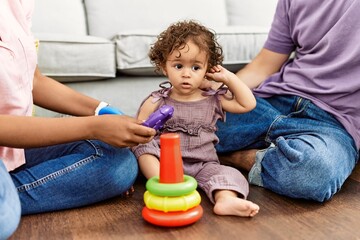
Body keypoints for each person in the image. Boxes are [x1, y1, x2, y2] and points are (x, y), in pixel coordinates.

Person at [0, 1, 156, 238]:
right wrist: (93, 127)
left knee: (118, 163)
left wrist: (104, 111)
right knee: (4, 219)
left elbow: (34, 81)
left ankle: (9, 194)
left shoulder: (18, 4)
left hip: (14, 148)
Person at [215, 0, 360, 202]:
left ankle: (232, 156)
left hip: (334, 123)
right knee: (183, 120)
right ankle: (274, 156)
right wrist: (215, 92)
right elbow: (263, 67)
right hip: (269, 103)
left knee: (313, 173)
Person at [132, 20, 260, 217]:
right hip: (164, 165)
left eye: (195, 68)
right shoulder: (156, 100)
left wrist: (228, 78)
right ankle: (165, 186)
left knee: (229, 174)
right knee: (144, 147)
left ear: (208, 69)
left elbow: (247, 104)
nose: (186, 74)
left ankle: (225, 200)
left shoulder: (214, 97)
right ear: (164, 66)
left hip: (203, 165)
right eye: (178, 65)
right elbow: (137, 133)